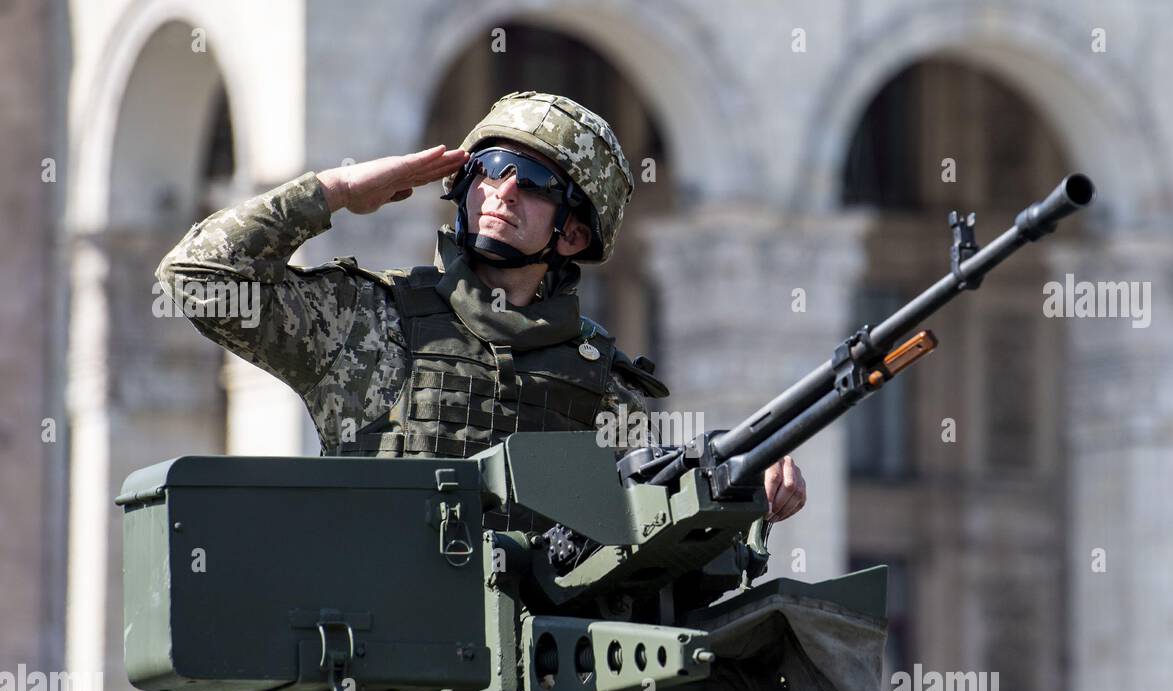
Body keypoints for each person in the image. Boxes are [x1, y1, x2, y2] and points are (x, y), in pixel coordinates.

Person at [156, 91, 806, 529]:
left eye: (535, 185)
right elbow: (195, 277)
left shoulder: (604, 388)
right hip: (371, 678)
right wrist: (336, 191)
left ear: (574, 236)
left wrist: (746, 496)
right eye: (490, 171)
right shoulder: (362, 323)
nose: (503, 192)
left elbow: (648, 545)